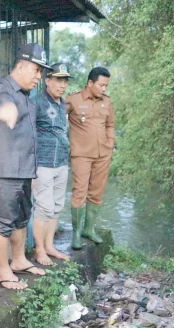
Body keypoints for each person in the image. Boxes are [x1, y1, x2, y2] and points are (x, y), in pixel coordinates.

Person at [0, 43, 52, 290]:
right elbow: (2, 102)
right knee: (3, 222)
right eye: (36, 70)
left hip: (22, 171)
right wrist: (7, 110)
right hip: (2, 171)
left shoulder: (27, 100)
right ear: (21, 66)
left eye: (42, 72)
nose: (39, 76)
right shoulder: (3, 88)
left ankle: (19, 261)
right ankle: (3, 270)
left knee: (21, 219)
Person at [66, 67, 115, 249]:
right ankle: (76, 234)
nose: (104, 89)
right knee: (79, 192)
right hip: (81, 154)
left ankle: (89, 229)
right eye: (101, 85)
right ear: (90, 83)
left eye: (106, 85)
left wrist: (110, 142)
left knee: (96, 193)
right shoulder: (73, 99)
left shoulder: (106, 102)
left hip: (102, 154)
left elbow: (110, 124)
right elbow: (54, 117)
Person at [31, 63, 72, 266]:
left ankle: (49, 246)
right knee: (44, 208)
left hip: (61, 163)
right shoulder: (36, 102)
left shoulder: (62, 103)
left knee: (56, 207)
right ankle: (39, 250)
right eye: (58, 80)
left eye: (65, 81)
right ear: (47, 81)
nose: (62, 85)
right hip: (43, 164)